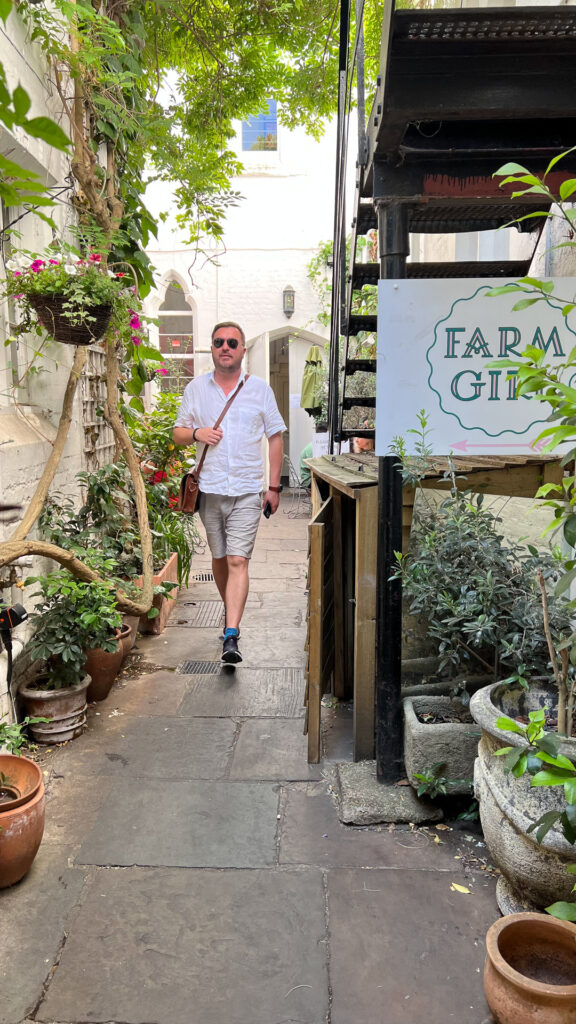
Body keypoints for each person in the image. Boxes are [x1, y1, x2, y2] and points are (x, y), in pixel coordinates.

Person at [173, 321, 286, 664]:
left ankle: (231, 633)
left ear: (242, 350)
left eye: (232, 342)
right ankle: (231, 609)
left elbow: (276, 436)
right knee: (220, 558)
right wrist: (197, 434)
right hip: (209, 490)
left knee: (238, 559)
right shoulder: (196, 389)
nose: (225, 347)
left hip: (248, 490)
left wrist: (274, 486)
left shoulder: (260, 390)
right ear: (212, 348)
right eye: (219, 342)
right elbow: (177, 432)